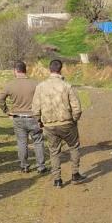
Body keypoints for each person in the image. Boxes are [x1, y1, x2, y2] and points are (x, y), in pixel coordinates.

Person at [32, 59, 85, 189]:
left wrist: (39, 121)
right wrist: (74, 119)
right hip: (67, 123)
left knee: (54, 152)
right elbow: (77, 107)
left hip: (49, 125)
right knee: (74, 147)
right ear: (60, 69)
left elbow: (35, 109)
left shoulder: (40, 87)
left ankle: (57, 180)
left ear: (49, 69)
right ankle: (75, 174)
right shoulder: (67, 86)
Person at [0, 61, 47, 175]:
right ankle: (41, 167)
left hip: (18, 118)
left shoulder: (10, 84)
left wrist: (6, 111)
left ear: (15, 70)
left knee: (21, 142)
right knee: (38, 142)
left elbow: (0, 99)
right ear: (25, 70)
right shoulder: (35, 84)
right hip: (33, 117)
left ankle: (24, 166)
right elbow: (44, 99)